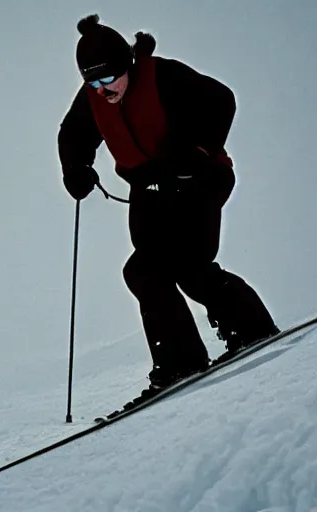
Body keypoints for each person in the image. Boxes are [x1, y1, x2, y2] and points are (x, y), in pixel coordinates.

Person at [57, 14, 279, 392]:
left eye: (107, 78)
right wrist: (76, 169)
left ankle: (250, 330)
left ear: (126, 63)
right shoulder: (95, 100)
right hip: (150, 189)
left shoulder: (163, 76)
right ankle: (183, 359)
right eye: (91, 81)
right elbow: (73, 134)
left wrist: (196, 150)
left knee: (189, 265)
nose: (100, 89)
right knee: (145, 271)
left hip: (197, 179)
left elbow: (221, 100)